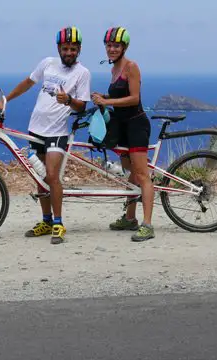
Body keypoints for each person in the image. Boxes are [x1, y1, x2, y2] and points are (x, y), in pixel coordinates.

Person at [0, 27, 91, 245]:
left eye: (73, 49)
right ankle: (46, 221)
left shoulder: (83, 73)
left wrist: (69, 101)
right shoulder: (47, 63)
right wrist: (4, 100)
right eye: (65, 48)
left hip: (57, 132)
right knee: (40, 176)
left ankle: (58, 223)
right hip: (36, 129)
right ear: (58, 48)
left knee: (52, 176)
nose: (69, 52)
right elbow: (28, 83)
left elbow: (82, 106)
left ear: (79, 49)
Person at [91, 26, 155, 242]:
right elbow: (120, 93)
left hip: (136, 125)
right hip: (123, 127)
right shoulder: (114, 69)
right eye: (109, 45)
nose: (111, 49)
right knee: (131, 174)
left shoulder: (131, 67)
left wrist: (107, 101)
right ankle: (130, 219)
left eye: (116, 45)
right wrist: (104, 95)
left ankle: (147, 225)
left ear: (124, 47)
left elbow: (134, 98)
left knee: (142, 176)